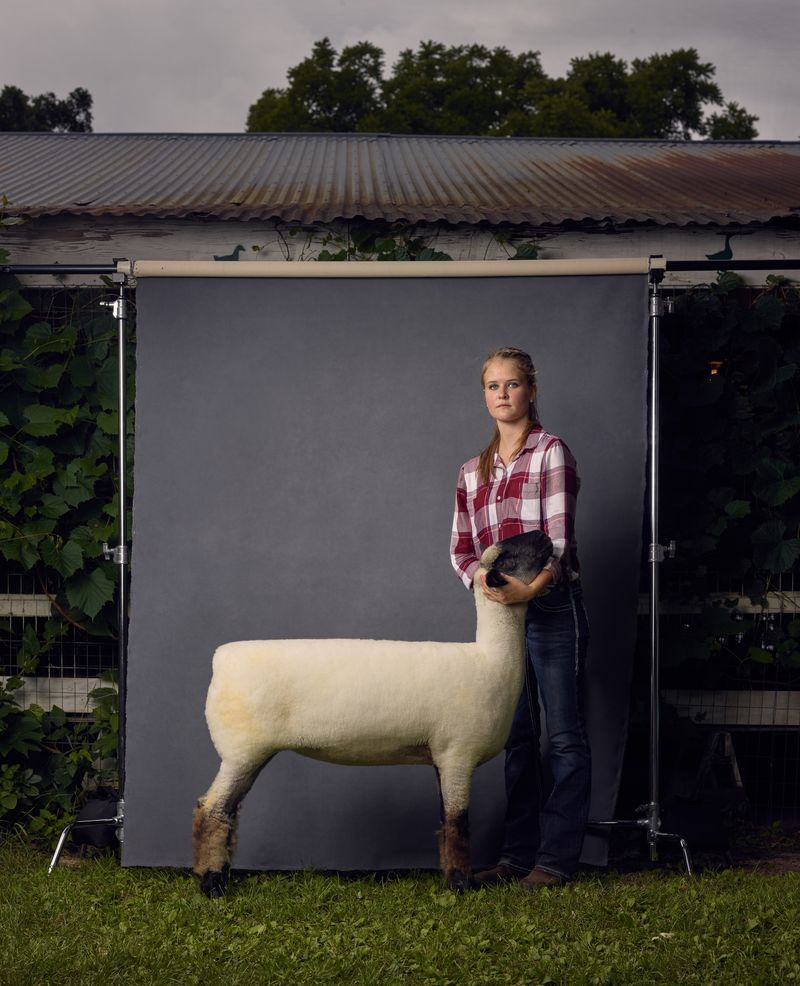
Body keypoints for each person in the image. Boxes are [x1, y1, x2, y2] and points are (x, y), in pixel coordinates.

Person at [450, 346, 590, 888]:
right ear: (483, 395)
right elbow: (461, 548)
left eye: (512, 385)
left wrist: (528, 589)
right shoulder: (470, 470)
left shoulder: (551, 452)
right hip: (500, 618)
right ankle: (516, 857)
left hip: (551, 607)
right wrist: (486, 588)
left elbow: (558, 542)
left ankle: (554, 861)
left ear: (531, 390)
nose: (502, 395)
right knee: (516, 735)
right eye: (492, 386)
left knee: (563, 737)